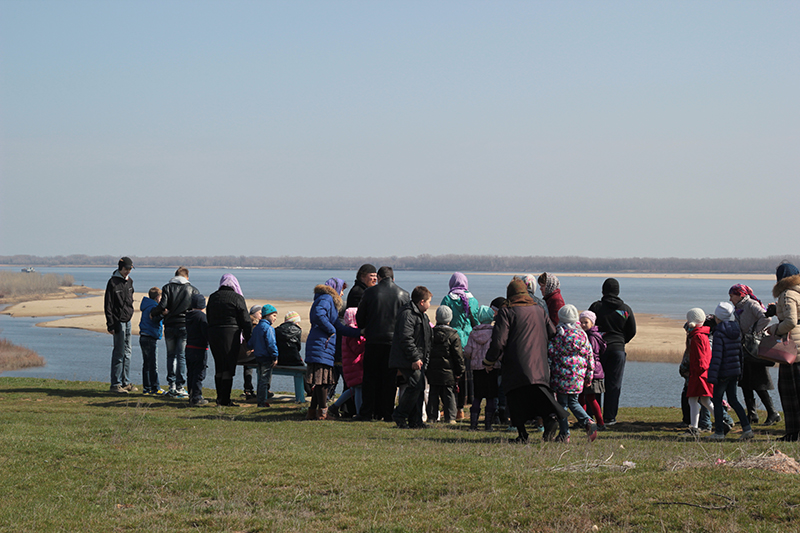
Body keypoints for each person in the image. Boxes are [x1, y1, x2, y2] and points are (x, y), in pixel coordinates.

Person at [483, 278, 567, 444]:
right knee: (541, 395)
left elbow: (499, 341)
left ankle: (522, 434)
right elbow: (551, 331)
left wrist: (489, 361)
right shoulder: (539, 310)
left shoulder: (506, 312)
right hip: (539, 364)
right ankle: (550, 418)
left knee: (515, 398)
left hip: (516, 363)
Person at [356, 266, 410, 422]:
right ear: (393, 278)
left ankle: (367, 412)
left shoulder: (369, 293)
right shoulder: (404, 295)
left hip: (373, 340)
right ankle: (387, 412)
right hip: (393, 343)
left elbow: (360, 319)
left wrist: (367, 327)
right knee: (389, 379)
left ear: (379, 277)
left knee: (370, 378)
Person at [305, 278, 360, 420]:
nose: (342, 294)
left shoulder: (328, 301)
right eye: (342, 290)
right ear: (335, 288)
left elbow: (340, 327)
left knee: (320, 380)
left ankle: (313, 411)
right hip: (322, 344)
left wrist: (359, 332)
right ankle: (323, 413)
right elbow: (318, 314)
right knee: (323, 380)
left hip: (322, 344)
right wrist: (330, 330)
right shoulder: (326, 298)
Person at [729, 284, 780, 425]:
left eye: (732, 295)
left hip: (754, 348)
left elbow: (766, 318)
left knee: (759, 382)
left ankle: (772, 413)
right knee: (745, 383)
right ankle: (752, 415)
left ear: (740, 295)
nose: (730, 299)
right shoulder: (739, 307)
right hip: (745, 347)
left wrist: (753, 331)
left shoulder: (751, 304)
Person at [588, 278, 636, 425]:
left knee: (596, 382)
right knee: (614, 384)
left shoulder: (596, 307)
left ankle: (593, 416)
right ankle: (610, 417)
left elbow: (588, 326)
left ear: (603, 290)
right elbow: (632, 331)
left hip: (598, 350)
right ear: (617, 291)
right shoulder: (625, 309)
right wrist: (621, 342)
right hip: (618, 350)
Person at [548, 304, 598, 443]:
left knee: (562, 405)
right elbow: (590, 356)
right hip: (578, 377)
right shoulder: (582, 335)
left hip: (561, 376)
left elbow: (551, 352)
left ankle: (564, 433)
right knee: (574, 402)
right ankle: (588, 421)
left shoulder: (559, 334)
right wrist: (589, 376)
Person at [707, 302, 754, 441]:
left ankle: (719, 432)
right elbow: (739, 353)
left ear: (718, 317)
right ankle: (747, 428)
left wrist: (712, 376)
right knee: (733, 399)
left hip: (722, 372)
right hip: (734, 370)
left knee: (716, 400)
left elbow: (717, 357)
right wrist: (739, 371)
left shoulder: (719, 333)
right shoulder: (736, 330)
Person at [151, 267, 199, 398]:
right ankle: (180, 386)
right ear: (186, 277)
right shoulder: (193, 290)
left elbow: (162, 305)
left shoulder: (167, 287)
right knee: (181, 356)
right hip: (184, 325)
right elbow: (196, 308)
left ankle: (171, 385)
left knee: (170, 355)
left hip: (170, 325)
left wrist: (153, 312)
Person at [389, 286, 433, 429]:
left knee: (419, 387)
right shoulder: (408, 314)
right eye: (429, 302)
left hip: (417, 358)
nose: (430, 305)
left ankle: (416, 421)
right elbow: (406, 338)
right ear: (421, 302)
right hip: (407, 359)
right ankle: (400, 414)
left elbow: (425, 339)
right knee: (416, 385)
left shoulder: (421, 315)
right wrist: (414, 358)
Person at [439, 272, 481, 421]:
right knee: (466, 377)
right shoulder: (473, 300)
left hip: (452, 340)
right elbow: (476, 320)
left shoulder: (448, 298)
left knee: (452, 377)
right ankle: (462, 409)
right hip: (469, 342)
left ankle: (451, 407)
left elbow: (444, 319)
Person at [206, 274, 252, 406]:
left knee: (219, 365)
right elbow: (245, 320)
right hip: (230, 334)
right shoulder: (237, 298)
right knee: (228, 366)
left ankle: (220, 397)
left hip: (214, 333)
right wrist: (249, 339)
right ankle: (225, 399)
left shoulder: (213, 297)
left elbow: (209, 316)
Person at [768, 262, 800, 442]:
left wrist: (774, 329)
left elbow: (790, 322)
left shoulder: (788, 294)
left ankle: (793, 433)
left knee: (790, 394)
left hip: (792, 350)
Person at [426, 305, 466, 425]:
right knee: (449, 395)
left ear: (436, 318)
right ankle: (451, 418)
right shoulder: (453, 335)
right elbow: (458, 355)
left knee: (433, 394)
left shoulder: (431, 334)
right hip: (449, 371)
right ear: (450, 319)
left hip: (433, 370)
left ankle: (432, 417)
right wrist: (460, 370)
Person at [463, 305, 498, 430]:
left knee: (477, 396)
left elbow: (467, 351)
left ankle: (473, 424)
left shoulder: (473, 333)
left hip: (477, 369)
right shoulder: (495, 333)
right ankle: (488, 424)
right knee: (490, 397)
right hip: (491, 368)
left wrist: (471, 357)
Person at [105, 256, 136, 394]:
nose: (128, 272)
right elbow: (108, 305)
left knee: (128, 353)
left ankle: (126, 382)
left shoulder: (130, 282)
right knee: (119, 352)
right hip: (118, 322)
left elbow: (130, 301)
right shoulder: (112, 283)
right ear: (120, 268)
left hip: (128, 320)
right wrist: (110, 324)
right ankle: (115, 384)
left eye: (130, 269)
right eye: (126, 269)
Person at [328, 308, 365, 419]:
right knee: (358, 387)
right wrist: (365, 341)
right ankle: (359, 413)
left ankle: (335, 406)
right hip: (355, 364)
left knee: (353, 389)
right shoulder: (352, 333)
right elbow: (357, 349)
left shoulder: (346, 331)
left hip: (349, 363)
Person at [683, 308, 715, 437]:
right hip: (701, 373)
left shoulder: (697, 337)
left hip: (699, 373)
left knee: (698, 401)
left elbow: (702, 358)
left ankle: (695, 427)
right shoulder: (701, 335)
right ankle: (696, 426)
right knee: (702, 401)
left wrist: (697, 370)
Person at [578, 310, 606, 430]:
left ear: (592, 323)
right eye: (581, 322)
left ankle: (598, 422)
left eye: (586, 322)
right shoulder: (592, 335)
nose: (583, 325)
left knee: (589, 397)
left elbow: (592, 355)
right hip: (594, 371)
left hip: (592, 372)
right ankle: (586, 421)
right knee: (584, 397)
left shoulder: (591, 337)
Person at [250, 304, 279, 408]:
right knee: (264, 380)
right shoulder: (269, 329)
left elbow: (251, 341)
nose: (275, 318)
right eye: (274, 315)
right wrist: (275, 356)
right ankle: (262, 401)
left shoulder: (257, 328)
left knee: (261, 379)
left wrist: (251, 347)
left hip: (258, 356)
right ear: (267, 315)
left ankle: (261, 399)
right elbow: (271, 344)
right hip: (266, 357)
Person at [139, 287, 167, 396]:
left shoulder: (146, 306)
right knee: (152, 363)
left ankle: (147, 388)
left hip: (144, 335)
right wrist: (163, 315)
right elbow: (154, 319)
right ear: (157, 297)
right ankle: (155, 387)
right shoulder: (154, 307)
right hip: (150, 336)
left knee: (146, 363)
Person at [185, 293, 209, 406]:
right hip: (199, 348)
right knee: (199, 373)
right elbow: (206, 332)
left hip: (189, 347)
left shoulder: (188, 315)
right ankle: (196, 397)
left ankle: (192, 394)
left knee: (191, 373)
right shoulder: (201, 317)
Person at [239, 305, 262, 402]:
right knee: (264, 363)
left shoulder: (244, 323)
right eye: (260, 313)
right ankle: (263, 389)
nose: (262, 315)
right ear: (254, 313)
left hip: (243, 353)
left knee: (248, 368)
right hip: (249, 353)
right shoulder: (254, 325)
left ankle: (248, 389)